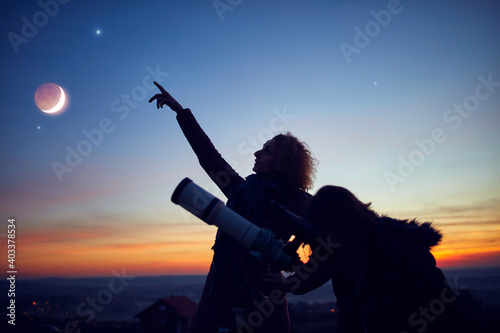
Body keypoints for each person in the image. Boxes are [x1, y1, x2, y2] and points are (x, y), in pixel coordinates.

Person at [149, 82, 317, 333]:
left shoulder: (298, 202)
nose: (256, 153)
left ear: (283, 163)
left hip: (264, 309)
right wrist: (180, 111)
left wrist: (292, 283)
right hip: (214, 301)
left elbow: (327, 246)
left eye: (267, 150)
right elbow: (209, 157)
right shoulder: (240, 191)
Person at [268, 185, 476, 333]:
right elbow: (349, 318)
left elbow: (449, 320)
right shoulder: (344, 259)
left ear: (343, 227)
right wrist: (289, 283)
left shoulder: (406, 253)